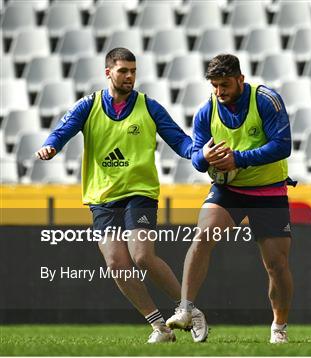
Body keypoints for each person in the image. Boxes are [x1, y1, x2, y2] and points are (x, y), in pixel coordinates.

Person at [35, 47, 193, 343]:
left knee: (142, 257)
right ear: (108, 72)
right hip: (102, 197)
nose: (130, 76)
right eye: (123, 71)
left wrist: (199, 154)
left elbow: (180, 141)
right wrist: (51, 146)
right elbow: (62, 130)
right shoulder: (88, 105)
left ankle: (189, 310)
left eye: (133, 71)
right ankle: (160, 327)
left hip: (139, 192)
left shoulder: (149, 106)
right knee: (116, 265)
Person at [166, 54, 294, 344]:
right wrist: (204, 157)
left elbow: (282, 146)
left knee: (276, 265)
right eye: (215, 86)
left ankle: (279, 326)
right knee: (202, 235)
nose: (220, 92)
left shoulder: (266, 101)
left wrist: (239, 159)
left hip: (269, 188)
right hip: (229, 190)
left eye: (225, 85)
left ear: (240, 80)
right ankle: (186, 309)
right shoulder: (205, 112)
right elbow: (197, 158)